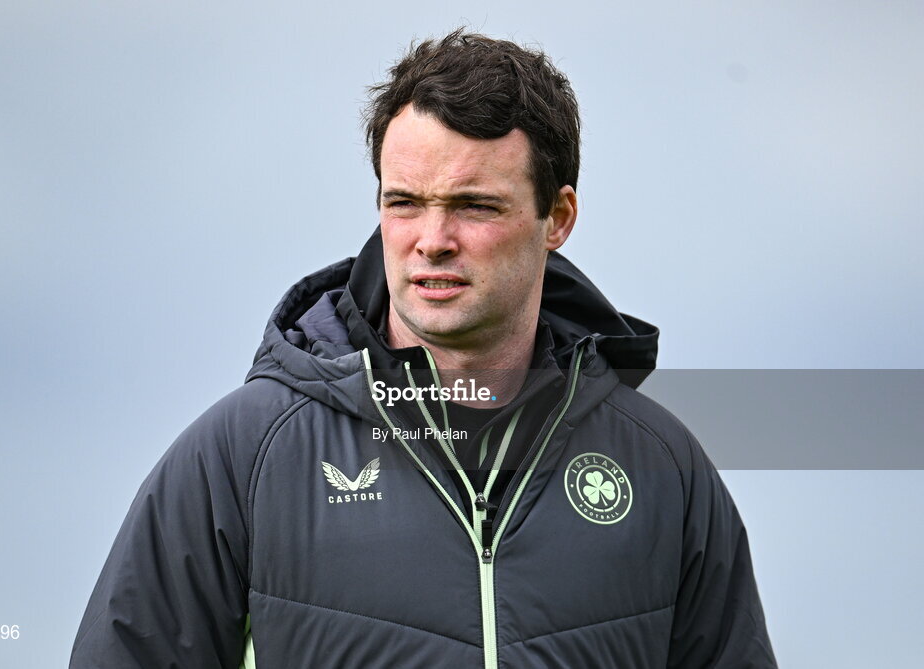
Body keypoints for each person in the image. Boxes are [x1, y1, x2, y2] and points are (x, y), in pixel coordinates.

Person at [71, 29, 776, 668]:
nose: (431, 238)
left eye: (474, 205)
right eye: (404, 201)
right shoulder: (243, 453)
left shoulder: (664, 468)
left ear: (556, 217)